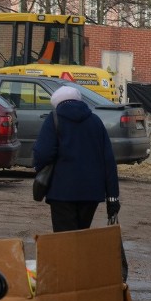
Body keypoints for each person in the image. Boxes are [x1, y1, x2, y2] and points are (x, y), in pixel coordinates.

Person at [32, 85, 121, 232]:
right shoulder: (95, 121)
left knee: (64, 240)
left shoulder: (54, 119)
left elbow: (43, 153)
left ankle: (69, 256)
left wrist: (38, 167)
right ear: (79, 101)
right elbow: (109, 161)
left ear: (57, 104)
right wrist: (113, 197)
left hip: (61, 190)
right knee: (81, 235)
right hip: (91, 192)